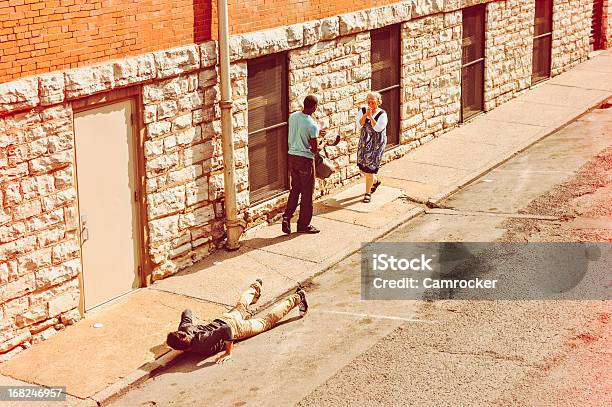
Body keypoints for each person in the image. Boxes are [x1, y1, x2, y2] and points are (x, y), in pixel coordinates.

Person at [166, 279, 308, 364]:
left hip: (236, 328)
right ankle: (256, 286)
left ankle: (298, 297)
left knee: (266, 322)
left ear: (184, 350)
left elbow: (226, 330)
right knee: (240, 307)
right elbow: (187, 312)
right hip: (224, 318)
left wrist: (228, 352)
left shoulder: (201, 342)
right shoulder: (184, 328)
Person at [281, 95, 327, 234]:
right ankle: (303, 225)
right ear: (314, 107)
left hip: (292, 158)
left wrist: (317, 134)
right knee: (307, 194)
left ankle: (287, 217)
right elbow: (315, 149)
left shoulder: (293, 117)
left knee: (295, 190)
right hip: (305, 161)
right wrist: (323, 140)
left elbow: (300, 133)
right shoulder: (312, 125)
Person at [357, 91, 388, 203]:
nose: (370, 105)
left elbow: (378, 128)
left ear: (378, 102)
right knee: (362, 167)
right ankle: (375, 181)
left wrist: (371, 117)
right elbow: (359, 125)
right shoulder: (363, 111)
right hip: (364, 142)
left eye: (373, 103)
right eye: (368, 102)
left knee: (369, 168)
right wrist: (366, 115)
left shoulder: (382, 114)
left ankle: (367, 193)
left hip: (376, 145)